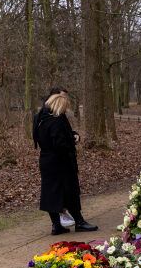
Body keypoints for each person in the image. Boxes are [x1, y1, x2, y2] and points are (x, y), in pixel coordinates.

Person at [32, 89, 98, 235]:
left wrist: (70, 135)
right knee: (70, 191)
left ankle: (56, 225)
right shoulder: (56, 120)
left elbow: (37, 138)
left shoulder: (39, 118)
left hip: (46, 160)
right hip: (61, 162)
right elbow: (60, 143)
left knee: (50, 192)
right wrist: (73, 139)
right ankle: (79, 222)